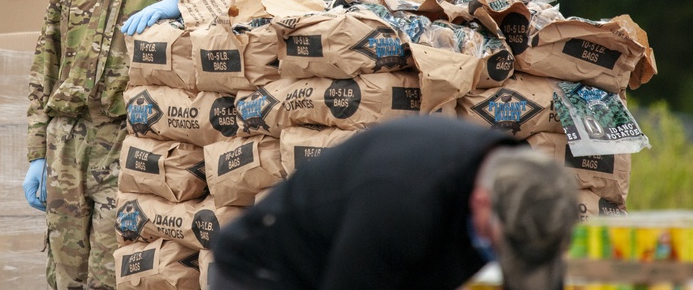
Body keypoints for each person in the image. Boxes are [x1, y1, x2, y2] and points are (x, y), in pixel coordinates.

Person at [23, 0, 252, 289]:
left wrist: (182, 1)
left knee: (121, 271)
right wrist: (37, 151)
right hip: (68, 140)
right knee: (65, 276)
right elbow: (48, 50)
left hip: (139, 138)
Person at [210, 116, 578, 290]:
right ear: (482, 204)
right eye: (500, 244)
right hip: (268, 272)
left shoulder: (524, 184)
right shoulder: (402, 202)